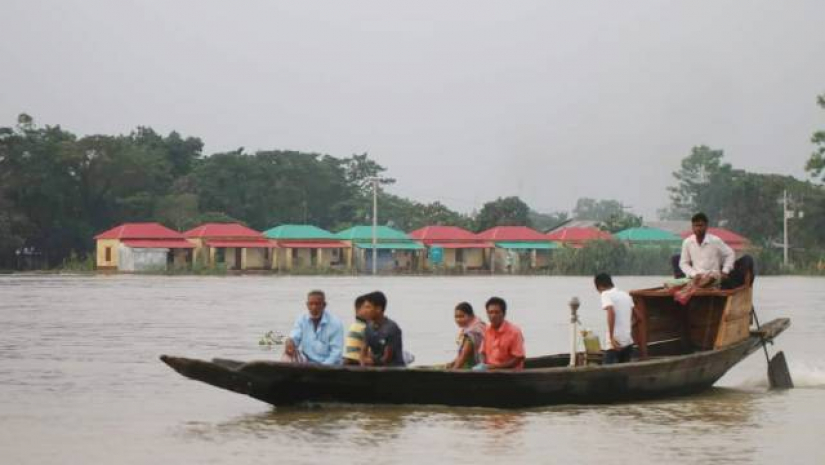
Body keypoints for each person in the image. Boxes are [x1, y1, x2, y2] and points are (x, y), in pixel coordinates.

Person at [284, 290, 344, 365]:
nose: (314, 307)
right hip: (307, 362)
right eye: (311, 304)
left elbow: (336, 353)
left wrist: (322, 367)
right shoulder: (301, 320)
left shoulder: (335, 323)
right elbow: (294, 338)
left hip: (329, 365)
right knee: (287, 355)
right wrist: (290, 342)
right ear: (307, 305)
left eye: (317, 304)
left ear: (324, 305)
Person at [594, 273, 641, 364]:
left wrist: (611, 338)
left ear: (599, 287)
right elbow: (639, 317)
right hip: (628, 342)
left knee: (607, 371)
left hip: (615, 343)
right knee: (624, 371)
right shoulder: (625, 295)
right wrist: (627, 327)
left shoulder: (605, 294)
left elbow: (611, 312)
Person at [476, 297, 525, 370]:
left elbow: (518, 358)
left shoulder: (514, 332)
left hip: (510, 373)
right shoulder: (486, 330)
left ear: (504, 314)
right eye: (490, 312)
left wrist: (495, 367)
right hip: (490, 371)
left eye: (497, 312)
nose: (493, 316)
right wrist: (483, 364)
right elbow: (482, 352)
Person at [360, 291, 406, 367]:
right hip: (375, 367)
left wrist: (371, 361)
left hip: (394, 369)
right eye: (364, 307)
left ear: (378, 309)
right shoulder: (368, 327)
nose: (364, 310)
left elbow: (386, 359)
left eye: (368, 307)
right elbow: (362, 353)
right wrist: (363, 362)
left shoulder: (391, 329)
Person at [450, 302, 486, 370]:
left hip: (474, 368)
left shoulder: (473, 332)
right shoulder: (470, 327)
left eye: (461, 316)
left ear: (471, 316)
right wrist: (452, 363)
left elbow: (463, 357)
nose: (458, 320)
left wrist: (452, 371)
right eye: (456, 317)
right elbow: (461, 355)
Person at [343, 294, 368, 365]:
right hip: (356, 363)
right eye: (366, 308)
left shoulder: (355, 325)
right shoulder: (361, 328)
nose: (369, 311)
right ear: (357, 310)